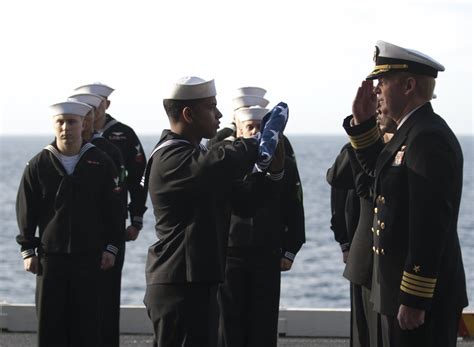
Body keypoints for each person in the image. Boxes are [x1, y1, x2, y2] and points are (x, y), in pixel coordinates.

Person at [141, 76, 288, 347]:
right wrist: (260, 141)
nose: (219, 114)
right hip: (178, 285)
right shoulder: (171, 158)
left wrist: (275, 173)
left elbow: (245, 203)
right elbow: (219, 162)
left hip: (199, 282)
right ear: (188, 113)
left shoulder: (197, 157)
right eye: (211, 107)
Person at [343, 40, 468, 346]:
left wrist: (414, 297)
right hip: (398, 290)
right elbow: (380, 178)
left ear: (409, 85)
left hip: (420, 297)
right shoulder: (409, 133)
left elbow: (430, 223)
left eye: (382, 82)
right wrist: (362, 126)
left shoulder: (427, 138)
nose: (377, 91)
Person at [16, 101, 123, 347]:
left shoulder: (100, 161)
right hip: (50, 260)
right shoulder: (38, 164)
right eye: (60, 122)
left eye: (72, 122)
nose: (66, 127)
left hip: (89, 257)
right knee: (50, 327)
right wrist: (28, 250)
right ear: (54, 125)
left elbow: (114, 211)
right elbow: (26, 209)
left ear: (83, 124)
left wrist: (111, 248)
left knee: (87, 327)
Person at [217, 104, 305, 347]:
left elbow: (294, 199)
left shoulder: (280, 151)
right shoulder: (224, 153)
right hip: (229, 253)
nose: (255, 131)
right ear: (239, 129)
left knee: (263, 326)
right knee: (228, 326)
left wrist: (291, 248)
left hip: (267, 252)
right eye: (249, 127)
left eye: (259, 126)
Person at [327, 115, 396, 347]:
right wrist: (361, 134)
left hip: (392, 261)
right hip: (363, 260)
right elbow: (335, 177)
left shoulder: (409, 143)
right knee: (363, 337)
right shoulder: (361, 147)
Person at [69, 92, 127, 347]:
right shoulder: (50, 157)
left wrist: (132, 222)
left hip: (102, 240)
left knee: (103, 304)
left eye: (89, 115)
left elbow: (119, 198)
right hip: (69, 246)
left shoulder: (107, 153)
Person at [74, 82, 147, 241]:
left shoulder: (125, 134)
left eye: (97, 102)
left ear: (107, 104)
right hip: (77, 219)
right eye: (86, 104)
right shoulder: (71, 138)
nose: (92, 108)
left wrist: (136, 220)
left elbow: (139, 177)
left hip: (113, 216)